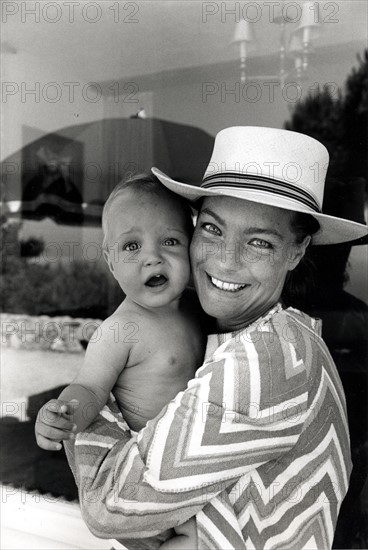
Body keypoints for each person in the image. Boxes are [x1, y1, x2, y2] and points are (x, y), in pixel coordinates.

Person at [63, 127, 367, 550]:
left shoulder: (269, 359)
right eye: (212, 229)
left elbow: (109, 507)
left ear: (296, 251)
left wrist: (92, 396)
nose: (225, 260)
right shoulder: (268, 334)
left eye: (259, 242)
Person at [34, 174, 207, 548]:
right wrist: (68, 413)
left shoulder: (199, 310)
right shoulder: (121, 329)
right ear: (111, 261)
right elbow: (91, 386)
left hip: (190, 468)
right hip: (146, 478)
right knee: (195, 539)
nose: (153, 256)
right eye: (132, 245)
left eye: (171, 240)